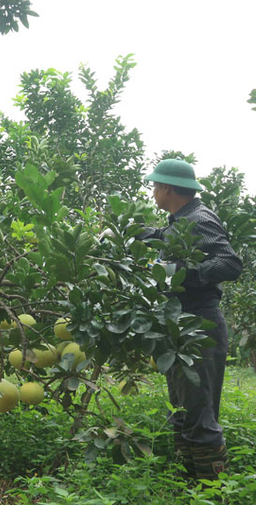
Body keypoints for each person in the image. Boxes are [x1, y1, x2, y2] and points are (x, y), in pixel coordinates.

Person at [137, 159, 243, 480]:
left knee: (199, 415)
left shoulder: (198, 219)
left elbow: (229, 263)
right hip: (181, 326)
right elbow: (171, 239)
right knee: (182, 413)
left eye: (156, 186)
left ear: (168, 188)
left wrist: (183, 276)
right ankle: (188, 486)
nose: (153, 191)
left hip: (199, 326)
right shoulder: (179, 221)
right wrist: (144, 234)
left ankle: (213, 489)